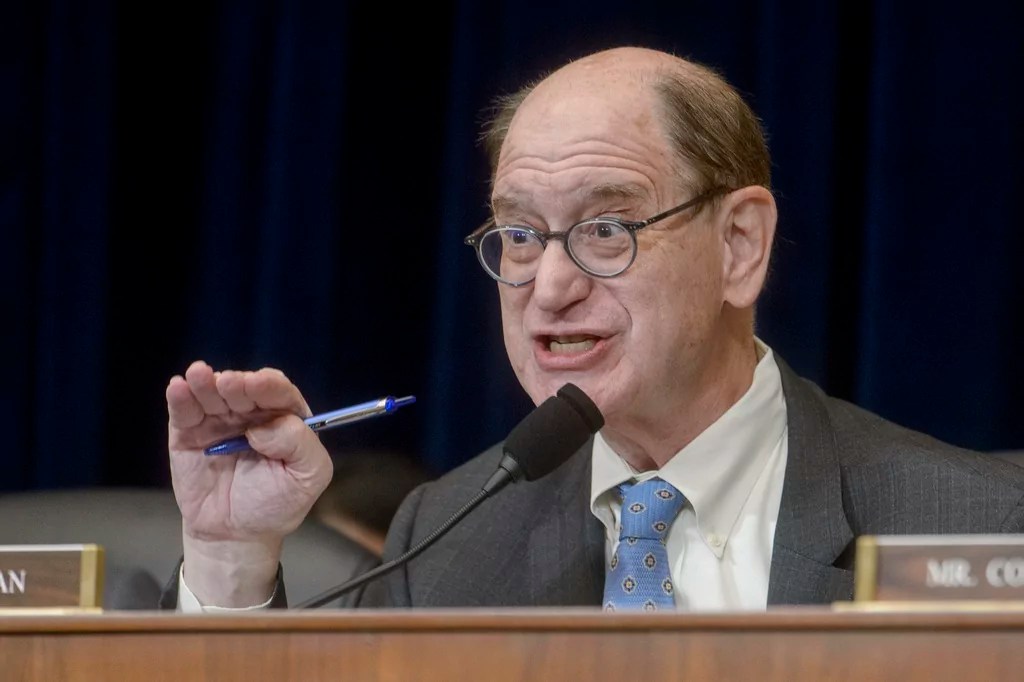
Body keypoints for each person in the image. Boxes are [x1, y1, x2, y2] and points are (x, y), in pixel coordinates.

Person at [162, 45, 1024, 612]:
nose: (549, 287)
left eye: (606, 228)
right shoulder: (448, 540)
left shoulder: (979, 528)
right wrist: (230, 557)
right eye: (520, 235)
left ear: (739, 246)